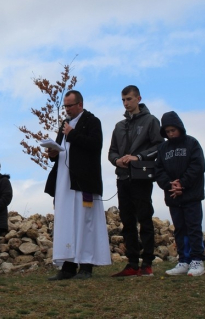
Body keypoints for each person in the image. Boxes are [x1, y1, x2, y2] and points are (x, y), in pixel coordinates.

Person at [45, 90, 111, 280]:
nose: (66, 109)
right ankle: (68, 265)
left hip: (84, 181)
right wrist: (53, 153)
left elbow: (95, 145)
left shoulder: (92, 121)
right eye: (65, 106)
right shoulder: (64, 125)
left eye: (69, 106)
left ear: (80, 104)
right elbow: (61, 148)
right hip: (64, 181)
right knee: (67, 221)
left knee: (85, 221)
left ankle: (86, 266)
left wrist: (72, 134)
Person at [108, 85, 164, 277]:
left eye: (129, 99)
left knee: (145, 218)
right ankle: (132, 263)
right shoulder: (119, 126)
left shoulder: (151, 121)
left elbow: (159, 146)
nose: (126, 103)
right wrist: (117, 160)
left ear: (138, 98)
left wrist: (138, 158)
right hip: (122, 178)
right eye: (123, 100)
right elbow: (111, 152)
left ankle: (147, 263)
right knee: (127, 221)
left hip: (141, 177)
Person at [155, 111, 205, 276]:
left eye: (173, 130)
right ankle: (183, 261)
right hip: (173, 197)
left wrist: (182, 184)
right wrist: (170, 185)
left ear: (180, 128)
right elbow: (159, 170)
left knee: (193, 227)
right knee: (179, 229)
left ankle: (197, 260)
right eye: (167, 132)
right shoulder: (163, 148)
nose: (171, 134)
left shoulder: (192, 143)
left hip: (191, 195)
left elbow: (198, 166)